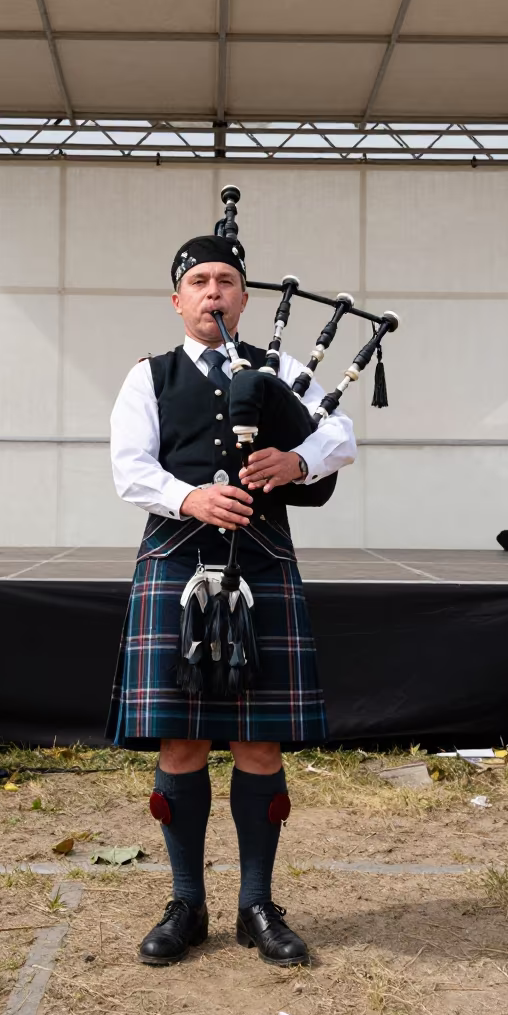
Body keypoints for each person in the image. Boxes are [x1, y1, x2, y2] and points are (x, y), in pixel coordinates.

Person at [106, 230, 356, 967]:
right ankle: (186, 902)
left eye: (226, 281)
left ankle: (256, 904)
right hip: (176, 563)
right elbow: (129, 469)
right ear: (178, 299)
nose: (213, 292)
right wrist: (190, 497)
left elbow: (339, 435)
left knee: (258, 741)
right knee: (180, 741)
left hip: (263, 565)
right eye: (200, 282)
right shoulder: (146, 377)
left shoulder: (281, 369)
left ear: (244, 297)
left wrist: (298, 458)